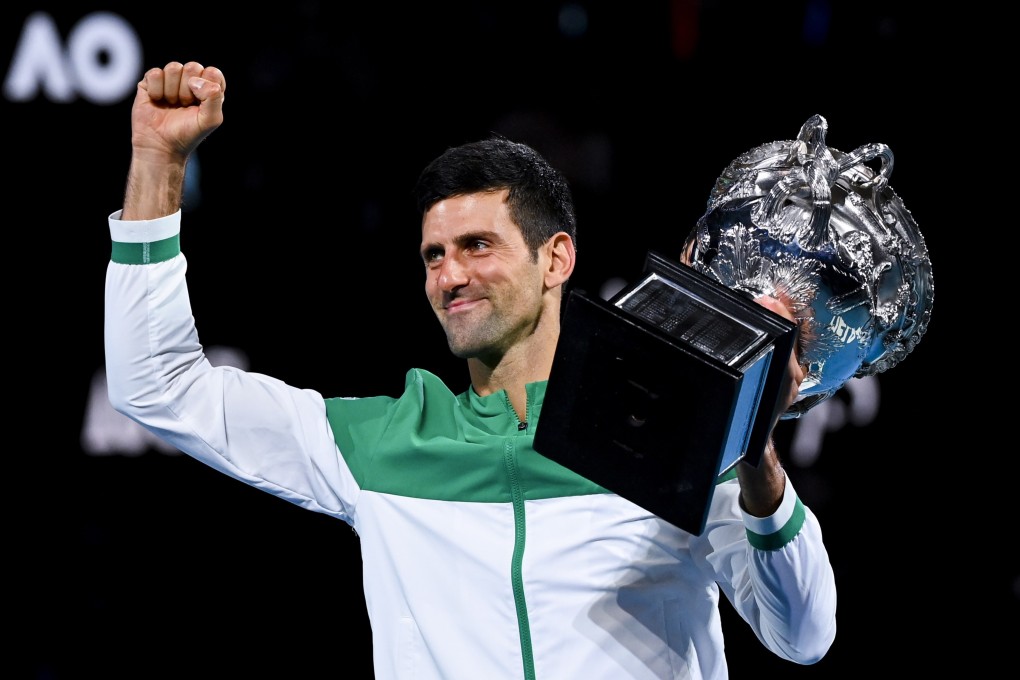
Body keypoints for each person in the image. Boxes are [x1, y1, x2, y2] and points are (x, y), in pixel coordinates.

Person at [105, 61, 837, 680]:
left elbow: (802, 635)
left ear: (556, 258)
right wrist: (158, 162)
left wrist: (755, 452)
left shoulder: (674, 434)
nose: (450, 275)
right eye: (434, 255)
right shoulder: (378, 447)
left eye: (478, 246)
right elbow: (158, 386)